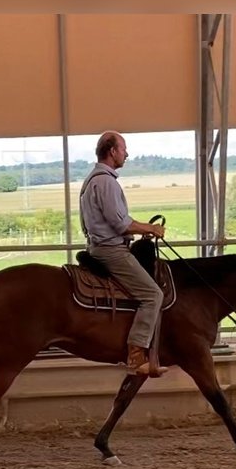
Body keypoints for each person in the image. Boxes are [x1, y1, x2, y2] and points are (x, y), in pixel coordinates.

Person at [78, 131, 168, 376]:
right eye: (123, 149)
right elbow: (121, 224)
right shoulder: (106, 182)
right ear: (112, 151)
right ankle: (136, 355)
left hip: (98, 245)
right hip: (111, 251)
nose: (126, 154)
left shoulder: (90, 180)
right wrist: (151, 228)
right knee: (153, 295)